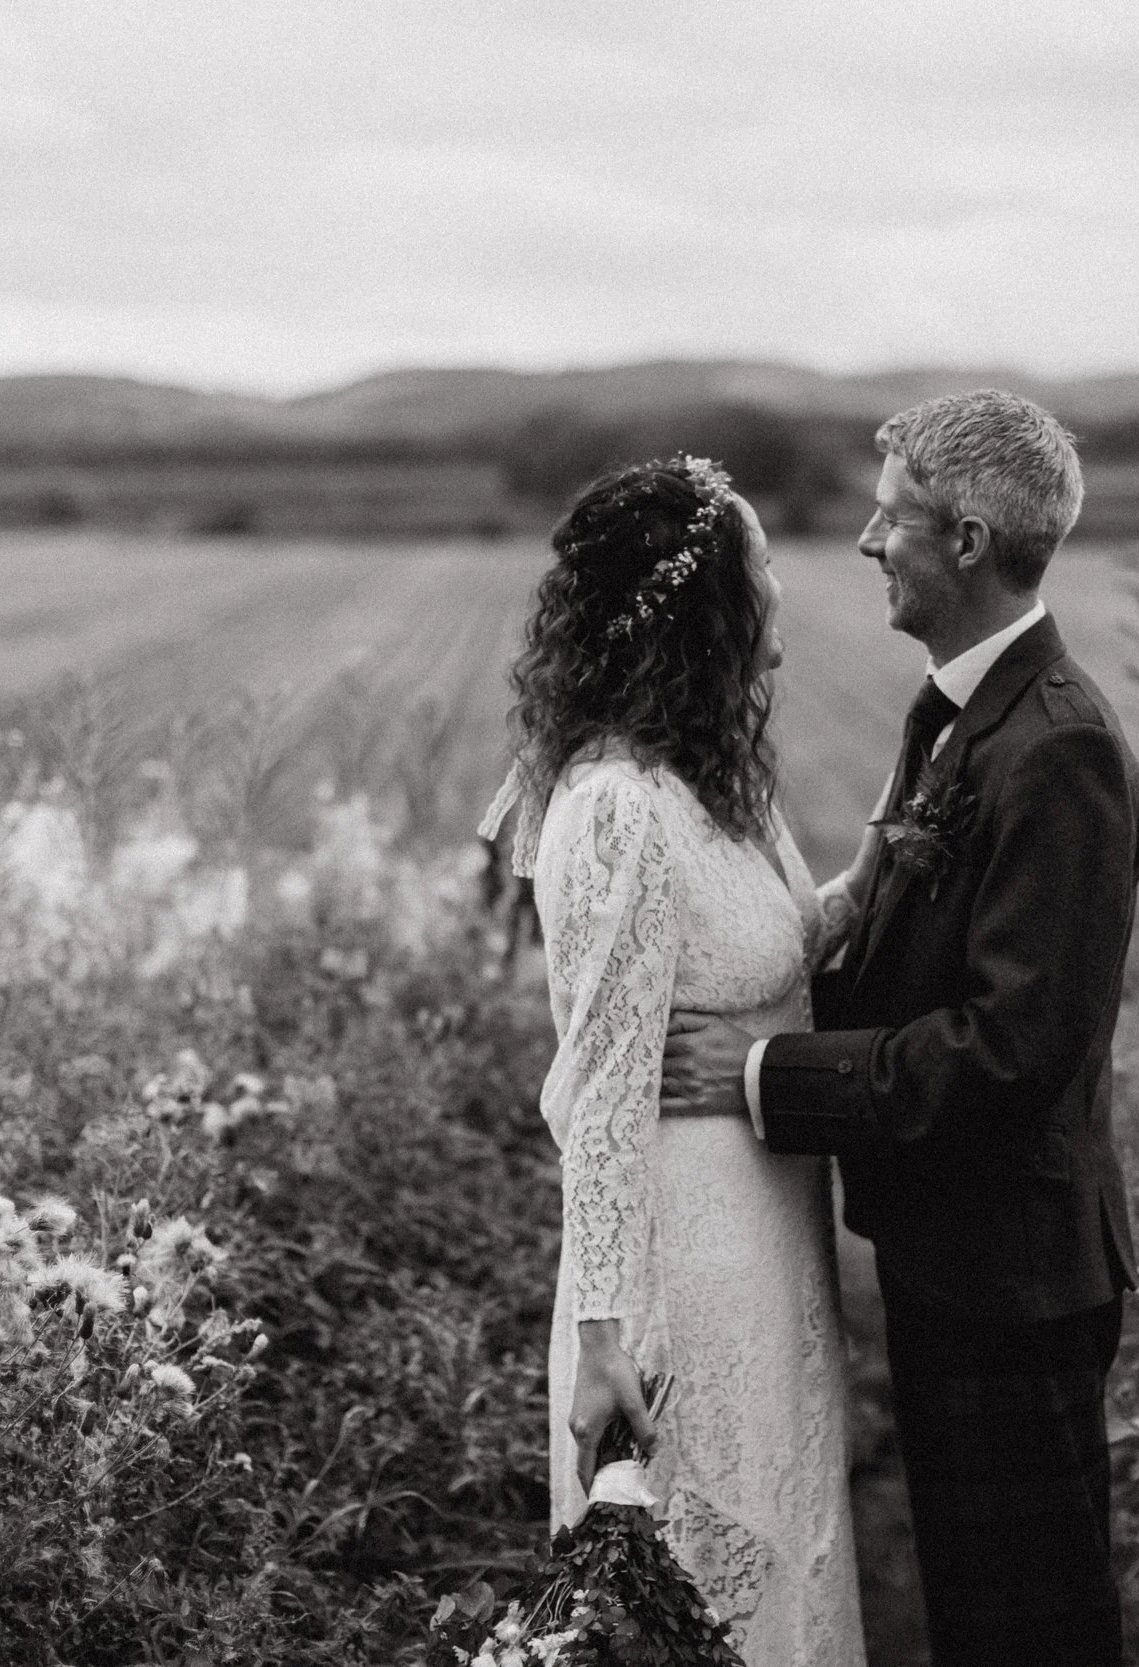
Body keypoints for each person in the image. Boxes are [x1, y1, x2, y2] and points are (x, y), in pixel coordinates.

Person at [662, 391, 1139, 1667]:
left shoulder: (1060, 752)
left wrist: (766, 1076)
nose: (869, 543)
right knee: (976, 1607)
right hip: (961, 1255)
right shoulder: (960, 717)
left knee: (1029, 1624)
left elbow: (1013, 1051)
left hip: (1019, 1273)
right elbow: (910, 941)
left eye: (891, 520)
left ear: (971, 538)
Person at [479, 457, 872, 1666]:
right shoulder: (613, 809)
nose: (775, 597)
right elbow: (600, 1089)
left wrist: (897, 849)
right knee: (693, 1585)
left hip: (765, 1230)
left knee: (788, 1536)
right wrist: (603, 1338)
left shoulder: (715, 796)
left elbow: (777, 949)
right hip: (675, 1261)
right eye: (757, 573)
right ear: (708, 611)